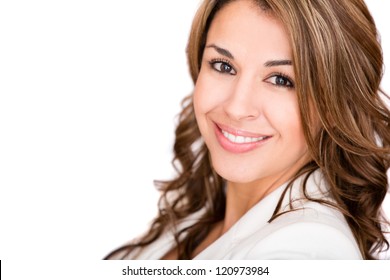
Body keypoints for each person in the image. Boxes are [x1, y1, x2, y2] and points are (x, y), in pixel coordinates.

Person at [105, 0, 390, 260]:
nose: (237, 108)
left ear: (336, 103)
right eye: (223, 65)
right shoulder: (198, 213)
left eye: (281, 80)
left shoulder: (305, 249)